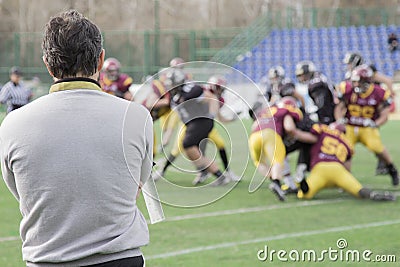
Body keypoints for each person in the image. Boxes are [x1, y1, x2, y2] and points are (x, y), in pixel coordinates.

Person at [0, 10, 153, 267]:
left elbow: (23, 192)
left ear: (47, 64)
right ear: (101, 59)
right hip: (121, 259)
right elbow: (137, 183)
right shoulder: (136, 117)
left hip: (47, 260)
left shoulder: (13, 123)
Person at [156, 75, 240, 185]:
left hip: (200, 122)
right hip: (191, 124)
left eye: (171, 84)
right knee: (190, 150)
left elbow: (211, 98)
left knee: (188, 145)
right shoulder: (175, 96)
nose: (169, 86)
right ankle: (215, 174)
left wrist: (211, 114)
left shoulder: (192, 91)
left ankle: (222, 174)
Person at [293, 123, 396, 201]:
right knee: (357, 190)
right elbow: (347, 168)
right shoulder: (347, 143)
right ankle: (371, 194)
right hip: (338, 169)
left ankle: (300, 181)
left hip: (320, 167)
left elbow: (308, 137)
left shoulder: (323, 131)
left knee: (304, 194)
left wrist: (295, 133)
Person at [335, 64, 399, 186]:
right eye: (354, 82)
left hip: (367, 128)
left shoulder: (378, 93)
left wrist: (375, 124)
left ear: (366, 81)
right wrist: (339, 120)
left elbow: (384, 115)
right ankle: (345, 180)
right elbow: (339, 108)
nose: (355, 85)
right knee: (345, 151)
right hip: (350, 126)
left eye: (358, 82)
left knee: (377, 148)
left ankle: (392, 170)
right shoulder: (348, 89)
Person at [342, 51, 396, 175]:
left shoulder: (368, 71)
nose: (348, 66)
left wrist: (390, 95)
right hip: (358, 109)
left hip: (371, 108)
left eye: (349, 63)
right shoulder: (352, 75)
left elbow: (386, 80)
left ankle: (384, 164)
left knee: (374, 141)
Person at [248, 96, 303, 201]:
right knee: (278, 161)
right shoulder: (286, 110)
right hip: (271, 134)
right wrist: (292, 136)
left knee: (259, 162)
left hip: (254, 136)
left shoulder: (267, 110)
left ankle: (274, 182)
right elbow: (289, 127)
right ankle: (276, 183)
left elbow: (254, 126)